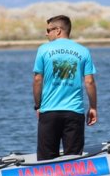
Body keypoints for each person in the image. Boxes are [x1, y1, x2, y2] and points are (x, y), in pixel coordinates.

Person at [33, 15, 98, 160]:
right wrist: (93, 107)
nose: (46, 33)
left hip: (49, 112)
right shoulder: (83, 51)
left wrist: (38, 105)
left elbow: (37, 79)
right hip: (74, 113)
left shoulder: (43, 50)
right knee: (73, 160)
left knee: (46, 161)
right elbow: (89, 82)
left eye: (48, 30)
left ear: (58, 30)